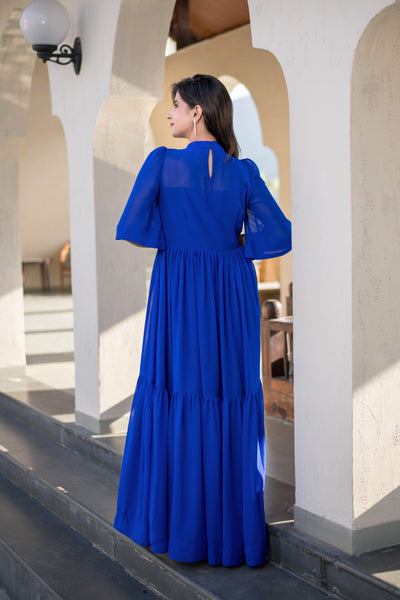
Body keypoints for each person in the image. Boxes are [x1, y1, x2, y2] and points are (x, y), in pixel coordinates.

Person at [114, 74, 291, 567]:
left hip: (178, 289)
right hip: (231, 290)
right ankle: (230, 535)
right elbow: (276, 233)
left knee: (177, 389)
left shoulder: (162, 163)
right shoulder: (244, 172)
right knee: (227, 393)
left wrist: (180, 240)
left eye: (175, 105)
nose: (169, 113)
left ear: (197, 112)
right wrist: (230, 246)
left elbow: (134, 224)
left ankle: (178, 528)